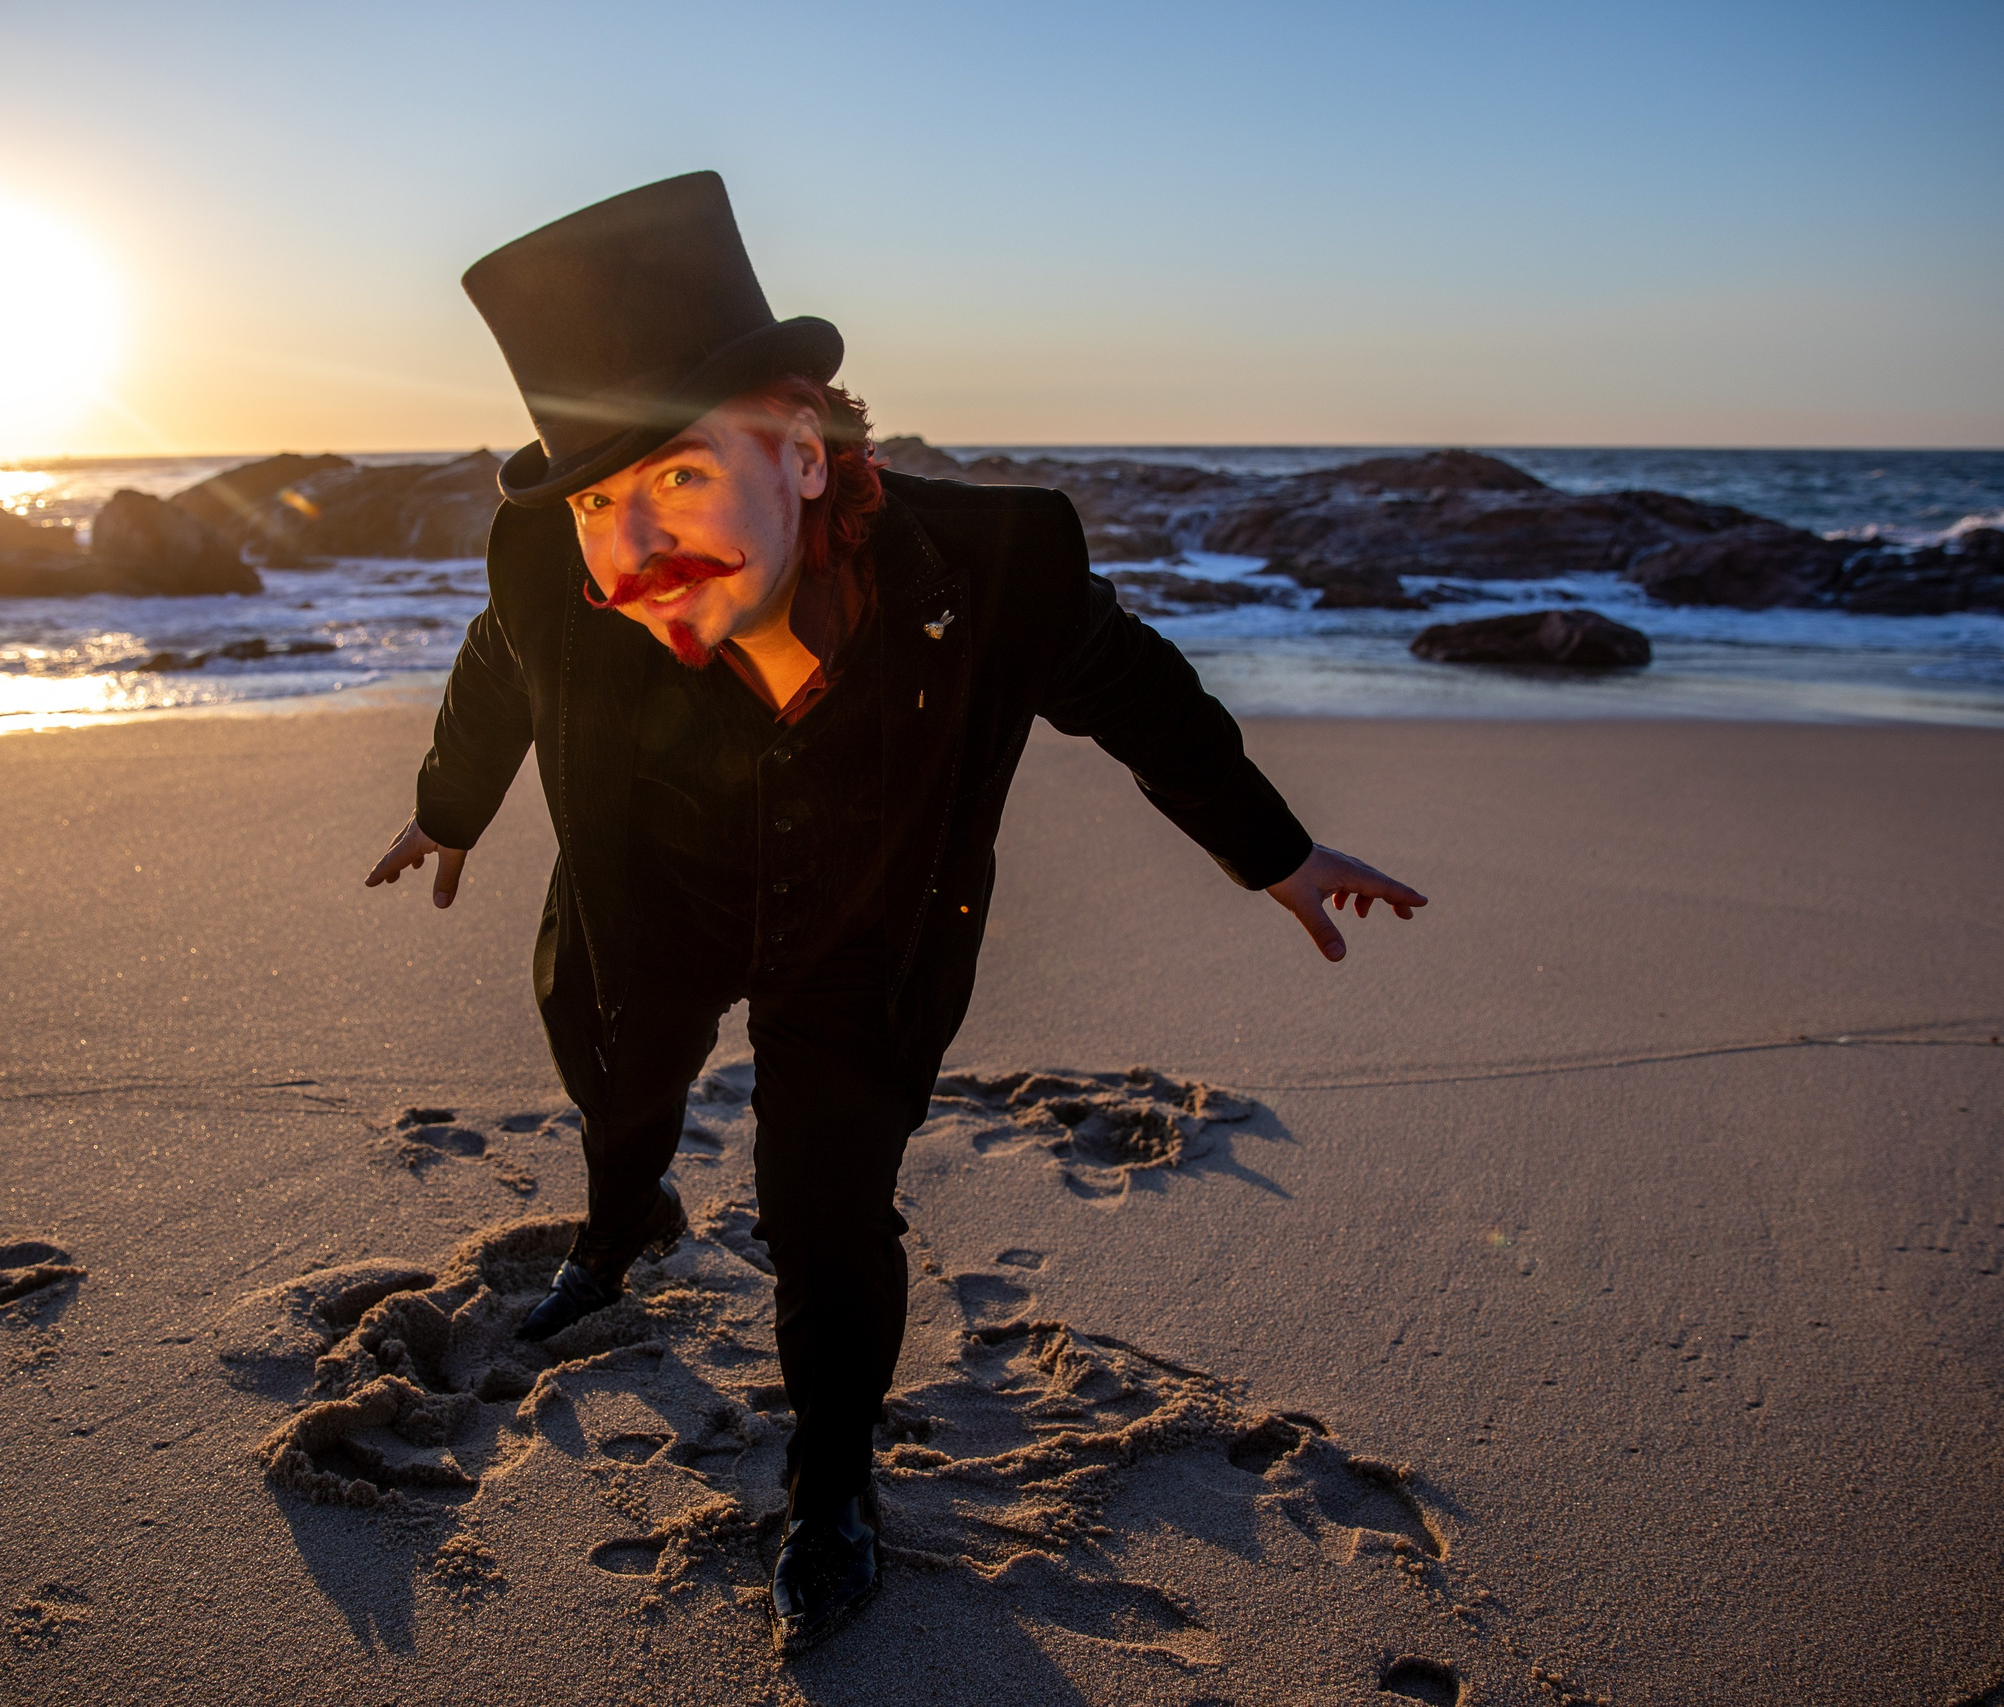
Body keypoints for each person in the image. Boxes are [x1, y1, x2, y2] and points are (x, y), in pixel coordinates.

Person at [364, 171, 1424, 1652]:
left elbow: (1134, 695)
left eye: (676, 475)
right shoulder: (552, 576)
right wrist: (450, 803)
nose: (634, 539)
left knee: (829, 1212)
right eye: (601, 499)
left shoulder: (997, 568)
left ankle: (835, 1479)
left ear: (802, 450)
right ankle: (618, 1236)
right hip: (649, 907)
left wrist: (1277, 852)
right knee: (622, 1092)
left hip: (867, 933)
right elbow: (501, 672)